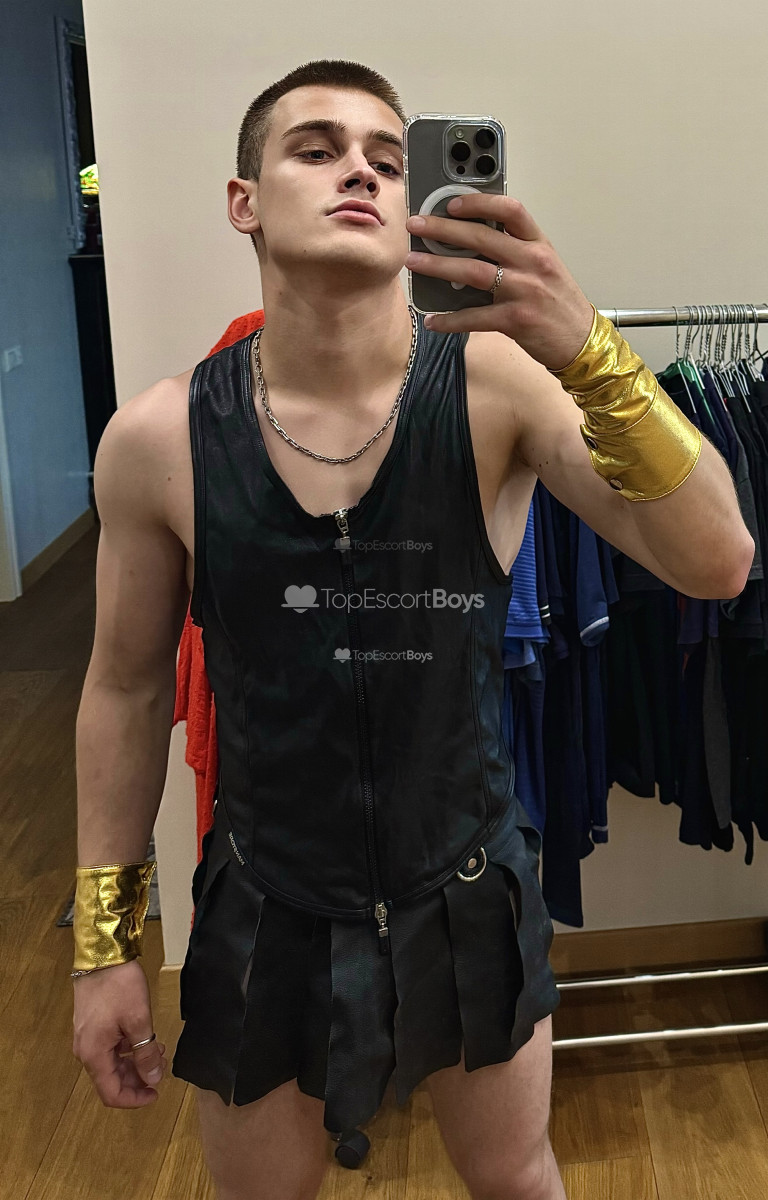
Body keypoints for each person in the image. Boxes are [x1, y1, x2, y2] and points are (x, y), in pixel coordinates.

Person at [71, 57, 753, 1200]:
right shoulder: (158, 439)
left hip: (470, 885)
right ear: (244, 201)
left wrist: (586, 345)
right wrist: (104, 948)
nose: (361, 172)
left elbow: (720, 559)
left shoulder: (499, 390)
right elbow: (126, 688)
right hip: (266, 902)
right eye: (317, 148)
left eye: (389, 160)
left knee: (518, 1178)